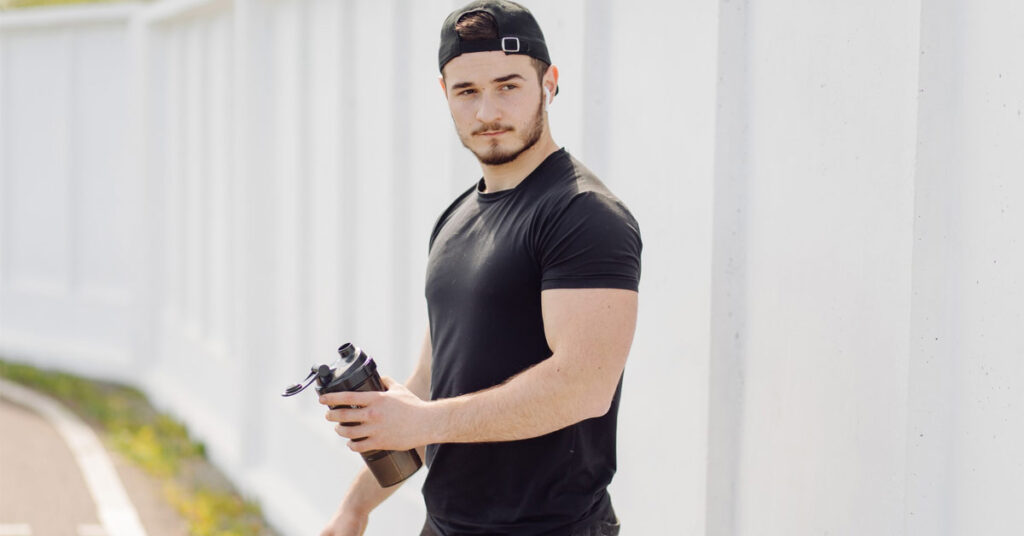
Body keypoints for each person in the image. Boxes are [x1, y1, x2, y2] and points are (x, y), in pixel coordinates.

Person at [317, 1, 641, 534]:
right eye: (467, 91)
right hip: (446, 524)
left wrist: (421, 420)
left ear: (549, 83)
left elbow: (584, 385)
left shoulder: (583, 214)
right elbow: (428, 387)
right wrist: (354, 509)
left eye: (508, 85)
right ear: (444, 94)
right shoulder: (456, 217)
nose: (487, 110)